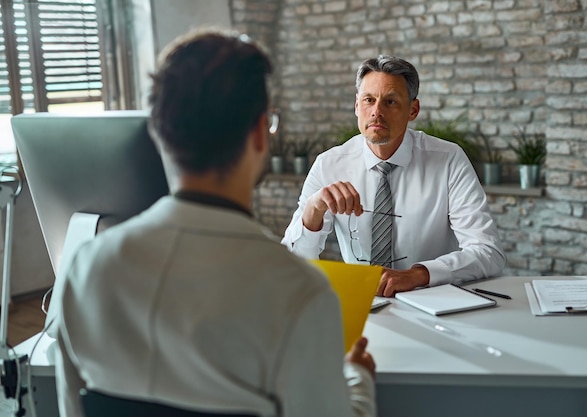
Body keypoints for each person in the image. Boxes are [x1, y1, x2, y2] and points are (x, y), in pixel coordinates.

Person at [53, 29, 376, 417]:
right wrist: (356, 380)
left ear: (159, 132)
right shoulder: (299, 293)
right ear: (260, 134)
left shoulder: (85, 269)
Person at [282, 55, 506, 297]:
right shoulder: (328, 165)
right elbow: (293, 265)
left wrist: (418, 275)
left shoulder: (448, 159)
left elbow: (488, 251)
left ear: (413, 110)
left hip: (434, 302)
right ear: (357, 105)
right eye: (369, 100)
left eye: (390, 102)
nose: (376, 111)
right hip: (362, 306)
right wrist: (313, 211)